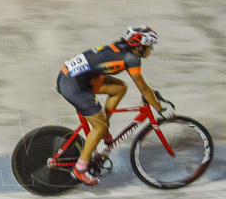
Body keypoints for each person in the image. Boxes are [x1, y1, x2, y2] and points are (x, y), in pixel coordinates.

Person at [56, 26, 167, 185]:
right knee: (98, 127)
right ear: (140, 46)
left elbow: (99, 66)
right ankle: (80, 169)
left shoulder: (122, 49)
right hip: (74, 85)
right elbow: (142, 87)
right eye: (150, 46)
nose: (152, 49)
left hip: (75, 77)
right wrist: (159, 108)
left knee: (119, 88)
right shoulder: (131, 58)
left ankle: (103, 127)